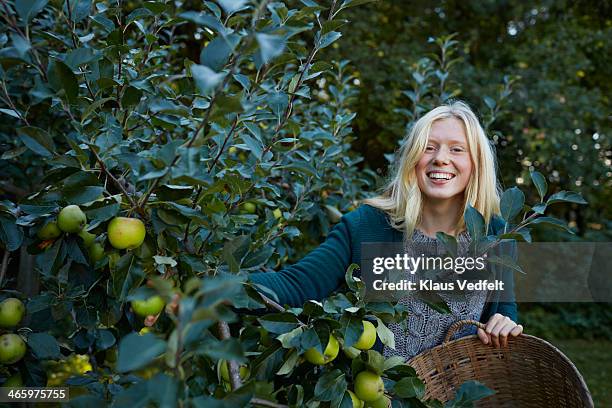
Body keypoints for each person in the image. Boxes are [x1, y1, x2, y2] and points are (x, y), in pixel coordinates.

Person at [248, 100, 523, 360]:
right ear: (413, 158)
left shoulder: (496, 236)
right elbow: (298, 285)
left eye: (456, 149)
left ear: (476, 164)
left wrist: (505, 323)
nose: (440, 158)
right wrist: (222, 285)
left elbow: (503, 312)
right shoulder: (366, 226)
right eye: (428, 147)